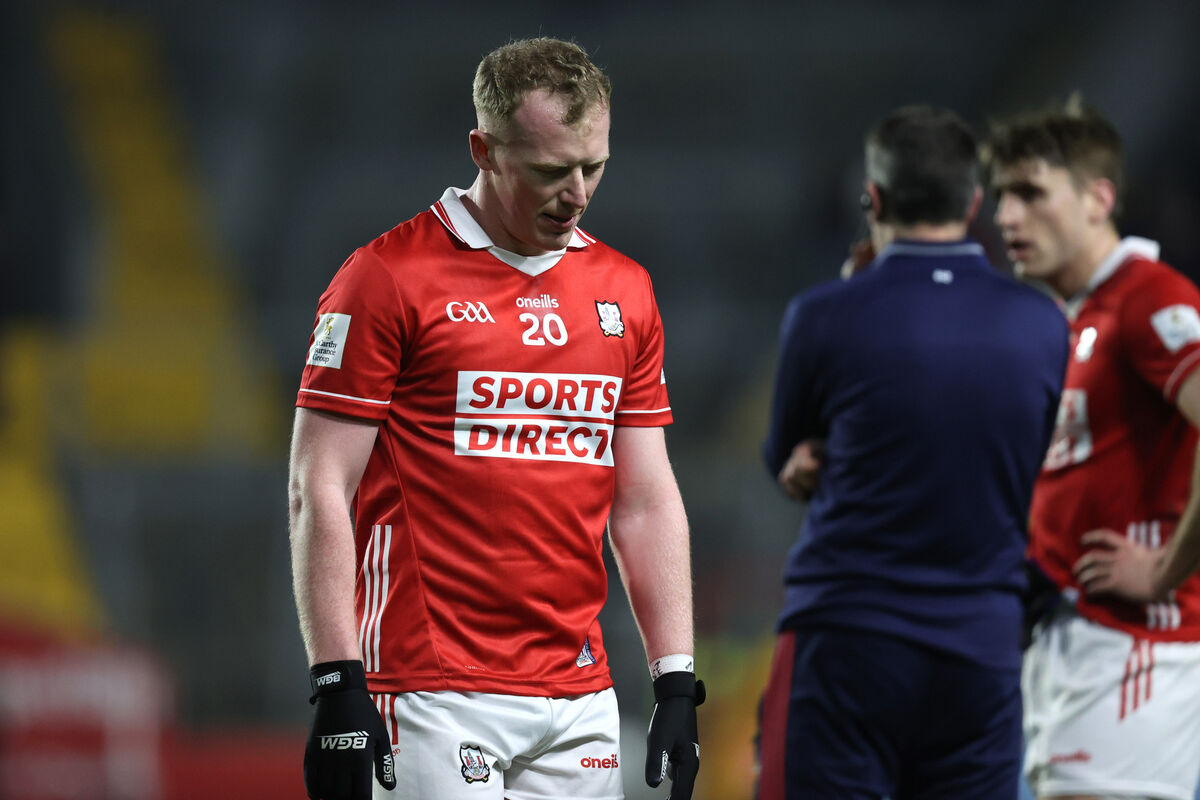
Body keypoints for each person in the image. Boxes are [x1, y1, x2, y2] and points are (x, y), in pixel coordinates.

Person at [287, 37, 703, 800]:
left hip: (579, 696)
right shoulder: (385, 278)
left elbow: (644, 498)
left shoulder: (626, 290)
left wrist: (675, 677)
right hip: (429, 686)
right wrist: (336, 680)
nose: (577, 193)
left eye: (594, 166)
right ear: (483, 149)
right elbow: (317, 485)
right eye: (551, 171)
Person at [757, 105, 1069, 800]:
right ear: (975, 202)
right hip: (981, 649)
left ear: (875, 198)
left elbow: (785, 455)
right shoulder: (1043, 323)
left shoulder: (823, 315)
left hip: (849, 641)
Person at [988, 101, 1200, 800]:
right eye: (1000, 197)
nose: (1007, 218)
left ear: (1098, 198)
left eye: (1030, 194)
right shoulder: (1069, 322)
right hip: (1067, 643)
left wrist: (1167, 570)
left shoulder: (1147, 298)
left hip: (1136, 644)